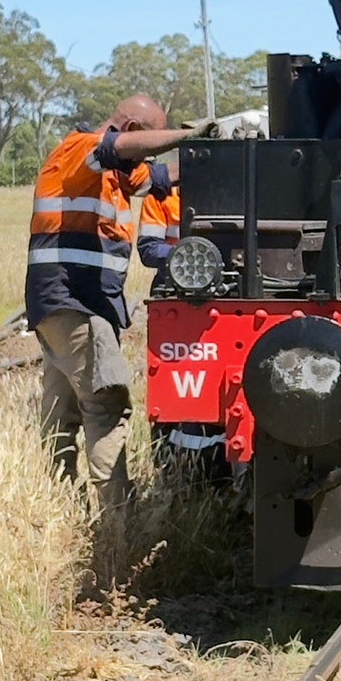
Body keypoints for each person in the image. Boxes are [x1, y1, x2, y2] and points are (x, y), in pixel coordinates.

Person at [25, 94, 212, 512]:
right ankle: (119, 519)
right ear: (130, 132)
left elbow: (158, 179)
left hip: (61, 302)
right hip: (75, 301)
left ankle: (60, 506)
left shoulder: (109, 174)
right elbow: (117, 149)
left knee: (64, 409)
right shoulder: (81, 148)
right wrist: (188, 134)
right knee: (107, 405)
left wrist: (211, 155)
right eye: (145, 140)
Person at [138, 185, 232, 486]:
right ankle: (189, 476)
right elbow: (148, 248)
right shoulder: (163, 194)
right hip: (183, 293)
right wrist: (190, 258)